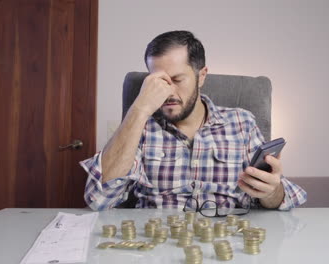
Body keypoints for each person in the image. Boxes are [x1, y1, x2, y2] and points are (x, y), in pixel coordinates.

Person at [80, 30, 306, 212]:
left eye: (177, 79)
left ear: (202, 76)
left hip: (229, 245)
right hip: (156, 246)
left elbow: (282, 197)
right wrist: (139, 108)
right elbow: (99, 199)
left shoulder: (242, 123)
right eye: (158, 81)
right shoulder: (140, 127)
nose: (168, 92)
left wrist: (270, 191)